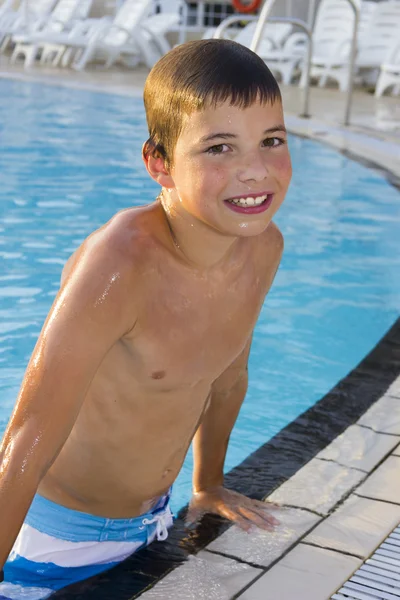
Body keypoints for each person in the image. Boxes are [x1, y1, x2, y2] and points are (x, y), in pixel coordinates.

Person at [0, 38, 292, 599]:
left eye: (271, 141)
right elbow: (30, 431)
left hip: (151, 524)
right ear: (160, 163)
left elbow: (228, 375)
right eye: (219, 148)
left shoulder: (263, 248)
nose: (255, 171)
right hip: (48, 543)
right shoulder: (118, 266)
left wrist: (207, 484)